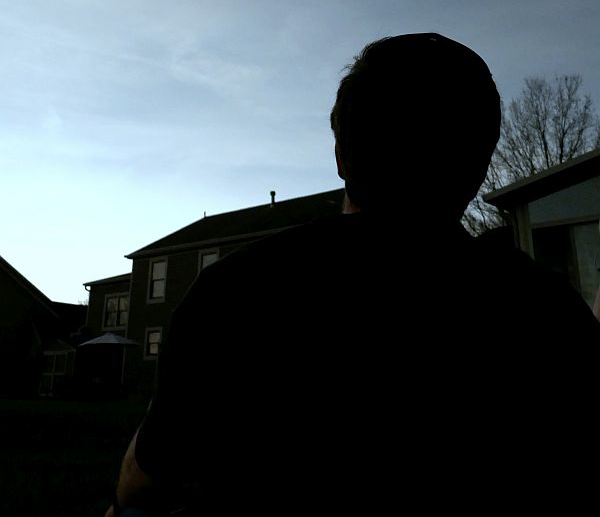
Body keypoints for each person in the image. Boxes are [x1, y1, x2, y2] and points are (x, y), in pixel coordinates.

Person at [104, 33, 600, 516]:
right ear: (481, 162)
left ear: (342, 157)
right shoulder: (547, 313)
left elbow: (148, 479)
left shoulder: (239, 292)